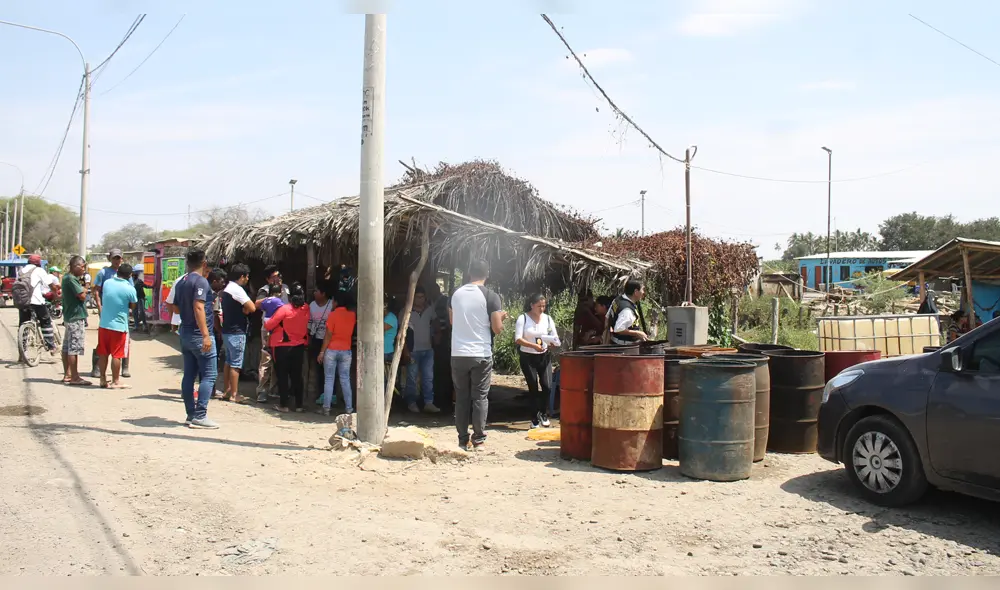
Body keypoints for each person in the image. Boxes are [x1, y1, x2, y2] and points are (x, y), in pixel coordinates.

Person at [449, 259, 506, 450]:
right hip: (480, 353)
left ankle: (462, 439)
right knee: (480, 397)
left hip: (458, 353)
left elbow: (452, 321)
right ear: (487, 274)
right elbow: (497, 329)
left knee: (462, 396)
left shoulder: (455, 294)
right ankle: (479, 439)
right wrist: (501, 318)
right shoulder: (491, 296)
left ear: (468, 273)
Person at [171, 247, 220, 429]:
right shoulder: (201, 282)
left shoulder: (182, 282)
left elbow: (175, 308)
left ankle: (191, 415)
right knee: (209, 374)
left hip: (185, 332)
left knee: (189, 374)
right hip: (200, 334)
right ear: (204, 263)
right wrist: (206, 335)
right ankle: (200, 416)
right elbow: (199, 307)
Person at [514, 293, 561, 428]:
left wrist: (553, 343)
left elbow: (554, 336)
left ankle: (543, 413)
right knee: (533, 387)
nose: (541, 309)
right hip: (528, 356)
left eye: (544, 306)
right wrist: (533, 346)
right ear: (532, 305)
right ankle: (534, 417)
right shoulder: (523, 318)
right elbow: (518, 339)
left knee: (547, 386)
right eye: (539, 306)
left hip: (544, 356)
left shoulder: (547, 319)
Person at [265, 283, 310, 413]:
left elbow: (268, 325)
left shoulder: (284, 309)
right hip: (299, 347)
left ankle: (284, 405)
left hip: (281, 347)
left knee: (282, 375)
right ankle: (299, 405)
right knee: (297, 376)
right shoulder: (306, 308)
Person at [93, 249, 134, 378]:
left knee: (124, 341)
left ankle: (125, 367)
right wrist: (99, 307)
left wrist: (129, 310)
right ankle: (96, 368)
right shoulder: (104, 273)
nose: (117, 260)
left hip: (121, 313)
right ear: (110, 258)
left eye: (119, 258)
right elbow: (96, 291)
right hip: (107, 311)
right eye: (115, 258)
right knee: (104, 342)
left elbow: (131, 293)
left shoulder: (126, 274)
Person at [97, 263, 138, 389]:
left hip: (104, 325)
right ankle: (116, 381)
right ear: (130, 275)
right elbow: (133, 305)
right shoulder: (130, 289)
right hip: (119, 326)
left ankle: (102, 379)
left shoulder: (108, 283)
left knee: (103, 353)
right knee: (117, 354)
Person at [220, 263, 256, 403]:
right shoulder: (238, 290)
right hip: (237, 332)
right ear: (242, 277)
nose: (247, 279)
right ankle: (235, 394)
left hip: (227, 330)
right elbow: (252, 308)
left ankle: (227, 390)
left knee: (228, 362)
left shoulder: (227, 288)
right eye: (247, 277)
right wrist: (246, 309)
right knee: (236, 364)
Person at [317, 290, 356, 416]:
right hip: (346, 351)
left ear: (337, 302)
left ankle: (326, 408)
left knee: (329, 379)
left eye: (333, 300)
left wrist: (322, 352)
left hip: (332, 350)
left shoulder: (332, 315)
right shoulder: (352, 315)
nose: (332, 303)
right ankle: (349, 408)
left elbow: (328, 336)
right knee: (345, 379)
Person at [404, 285, 440, 414]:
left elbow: (436, 322)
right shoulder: (406, 312)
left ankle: (428, 403)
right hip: (413, 350)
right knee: (412, 378)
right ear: (412, 298)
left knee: (428, 377)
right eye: (418, 297)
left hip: (428, 349)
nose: (421, 299)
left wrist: (437, 334)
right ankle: (411, 402)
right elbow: (401, 333)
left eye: (422, 297)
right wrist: (405, 351)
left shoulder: (429, 310)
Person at [255, 266, 288, 402]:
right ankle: (262, 390)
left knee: (279, 359)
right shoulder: (265, 290)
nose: (277, 279)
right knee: (266, 359)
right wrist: (272, 299)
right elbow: (256, 304)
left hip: (284, 329)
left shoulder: (286, 288)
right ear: (268, 279)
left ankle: (275, 389)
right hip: (269, 329)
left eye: (279, 276)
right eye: (274, 277)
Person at [17, 254, 59, 356]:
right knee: (45, 321)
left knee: (23, 324)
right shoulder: (39, 270)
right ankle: (51, 346)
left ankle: (21, 351)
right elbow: (51, 285)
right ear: (38, 263)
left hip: (23, 302)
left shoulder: (21, 271)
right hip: (36, 301)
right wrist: (56, 294)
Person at [61, 256, 91, 386]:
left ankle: (68, 374)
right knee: (74, 348)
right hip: (75, 317)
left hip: (69, 316)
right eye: (82, 267)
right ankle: (74, 376)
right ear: (75, 266)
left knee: (67, 347)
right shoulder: (71, 279)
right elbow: (82, 296)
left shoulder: (68, 278)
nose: (83, 270)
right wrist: (86, 287)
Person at [308, 282, 334, 402]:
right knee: (318, 368)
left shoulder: (331, 305)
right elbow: (309, 322)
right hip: (316, 339)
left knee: (328, 369)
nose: (314, 293)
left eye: (317, 290)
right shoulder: (312, 305)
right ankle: (320, 394)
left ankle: (329, 395)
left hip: (329, 340)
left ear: (323, 294)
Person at [605, 280, 649, 345]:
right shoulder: (627, 310)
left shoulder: (618, 299)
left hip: (614, 341)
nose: (643, 292)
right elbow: (618, 329)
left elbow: (607, 317)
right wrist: (638, 333)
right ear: (636, 292)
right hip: (624, 346)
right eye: (642, 289)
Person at [209, 269, 228, 397]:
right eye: (221, 282)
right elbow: (215, 317)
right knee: (213, 362)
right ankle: (211, 390)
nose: (223, 284)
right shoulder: (214, 295)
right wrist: (220, 331)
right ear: (214, 281)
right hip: (212, 332)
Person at [384, 296, 399, 391]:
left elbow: (377, 330)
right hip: (384, 350)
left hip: (386, 351)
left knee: (384, 378)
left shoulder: (390, 318)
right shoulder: (388, 317)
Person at [133, 268, 148, 333]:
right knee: (135, 312)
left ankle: (144, 325)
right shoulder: (130, 282)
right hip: (134, 299)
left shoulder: (139, 281)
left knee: (141, 312)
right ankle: (137, 325)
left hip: (140, 298)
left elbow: (145, 286)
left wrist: (152, 286)